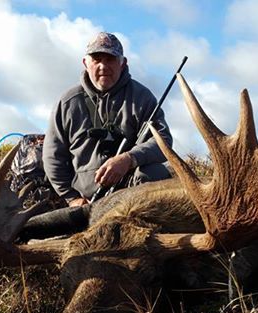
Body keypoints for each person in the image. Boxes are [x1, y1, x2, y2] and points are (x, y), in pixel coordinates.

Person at [43, 32, 173, 207]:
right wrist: (72, 198)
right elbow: (53, 156)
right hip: (86, 200)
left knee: (156, 173)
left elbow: (163, 141)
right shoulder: (67, 102)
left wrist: (128, 159)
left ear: (123, 63)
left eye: (110, 59)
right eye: (96, 59)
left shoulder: (142, 97)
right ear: (85, 63)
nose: (103, 66)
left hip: (131, 194)